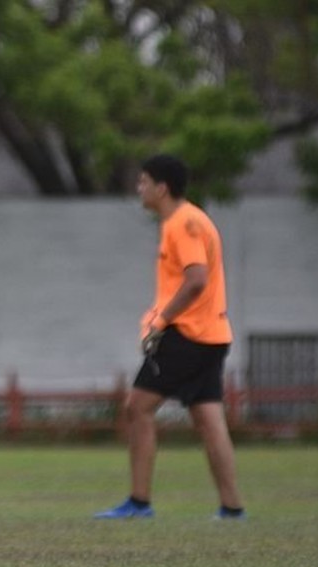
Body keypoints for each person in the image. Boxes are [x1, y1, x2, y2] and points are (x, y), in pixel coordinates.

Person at [95, 154, 246, 520]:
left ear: (162, 187)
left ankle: (139, 501)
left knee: (138, 407)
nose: (139, 188)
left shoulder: (184, 222)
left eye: (144, 181)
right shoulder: (184, 220)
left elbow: (196, 279)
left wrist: (160, 321)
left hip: (188, 335)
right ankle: (232, 507)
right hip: (211, 334)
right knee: (209, 420)